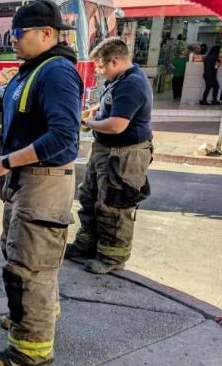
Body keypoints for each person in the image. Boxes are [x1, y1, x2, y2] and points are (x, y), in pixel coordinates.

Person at [0, 0, 82, 366]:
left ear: (47, 34)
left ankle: (30, 351)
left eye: (19, 34)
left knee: (31, 269)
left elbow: (63, 138)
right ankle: (33, 317)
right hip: (26, 183)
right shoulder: (34, 70)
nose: (13, 40)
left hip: (43, 185)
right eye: (12, 34)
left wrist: (5, 162)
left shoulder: (56, 73)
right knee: (22, 257)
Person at [66, 37, 153, 275]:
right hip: (105, 151)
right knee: (90, 196)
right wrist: (94, 110)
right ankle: (87, 245)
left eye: (101, 67)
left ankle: (111, 256)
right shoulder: (120, 80)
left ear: (114, 61)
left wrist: (89, 123)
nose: (100, 72)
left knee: (114, 204)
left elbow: (116, 125)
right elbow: (111, 105)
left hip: (124, 154)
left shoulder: (132, 84)